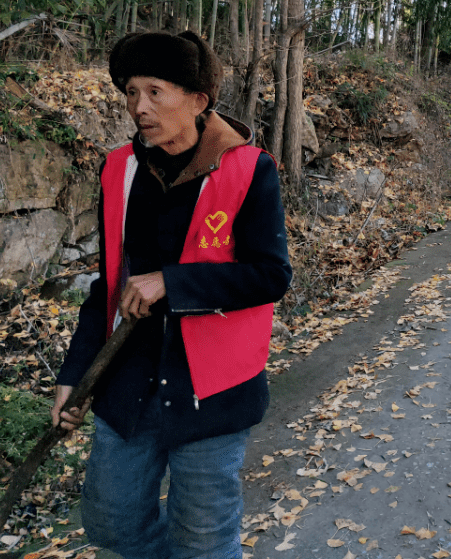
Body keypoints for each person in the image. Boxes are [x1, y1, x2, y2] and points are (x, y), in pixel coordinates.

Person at [52, 31, 293, 559]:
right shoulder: (120, 169)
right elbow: (108, 286)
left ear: (198, 100)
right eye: (131, 92)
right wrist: (73, 376)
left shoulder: (250, 169)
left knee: (204, 542)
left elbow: (272, 275)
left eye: (155, 91)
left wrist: (171, 282)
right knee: (112, 525)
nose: (139, 106)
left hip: (212, 390)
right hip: (127, 382)